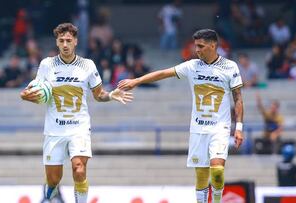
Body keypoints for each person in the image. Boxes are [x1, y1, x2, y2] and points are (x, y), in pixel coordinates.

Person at [118, 29, 244, 203]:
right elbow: (163, 73)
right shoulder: (192, 66)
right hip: (198, 128)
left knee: (217, 171)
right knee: (201, 175)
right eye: (195, 46)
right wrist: (136, 81)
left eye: (200, 46)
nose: (197, 50)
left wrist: (238, 128)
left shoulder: (230, 67)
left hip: (219, 128)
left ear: (213, 45)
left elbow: (238, 98)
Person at [20, 23, 133, 203]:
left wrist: (111, 95)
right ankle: (50, 195)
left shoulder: (87, 65)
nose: (65, 44)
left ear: (75, 42)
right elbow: (34, 90)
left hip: (78, 128)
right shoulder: (47, 65)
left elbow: (99, 95)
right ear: (57, 42)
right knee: (53, 179)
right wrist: (26, 95)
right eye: (61, 40)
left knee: (79, 168)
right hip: (54, 130)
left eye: (69, 40)